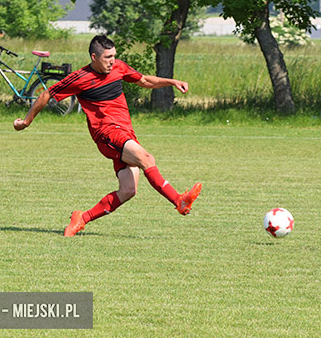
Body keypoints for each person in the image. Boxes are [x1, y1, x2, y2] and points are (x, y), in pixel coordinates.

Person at [13, 35, 202, 237]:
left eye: (114, 56)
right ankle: (179, 201)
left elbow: (145, 80)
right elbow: (46, 94)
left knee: (128, 190)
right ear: (94, 57)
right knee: (147, 159)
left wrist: (172, 82)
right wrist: (26, 122)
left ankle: (81, 218)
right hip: (107, 133)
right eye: (107, 57)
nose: (112, 61)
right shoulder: (80, 78)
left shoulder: (118, 67)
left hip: (125, 132)